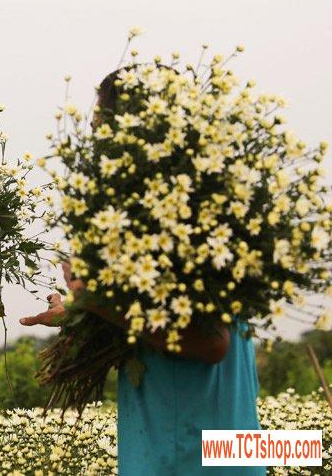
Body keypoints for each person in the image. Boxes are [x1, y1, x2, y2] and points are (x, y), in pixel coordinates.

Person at [20, 67, 264, 475]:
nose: (95, 134)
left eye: (102, 120)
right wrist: (83, 314)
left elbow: (211, 343)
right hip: (219, 449)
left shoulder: (187, 217)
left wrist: (96, 298)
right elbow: (153, 321)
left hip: (190, 458)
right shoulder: (196, 206)